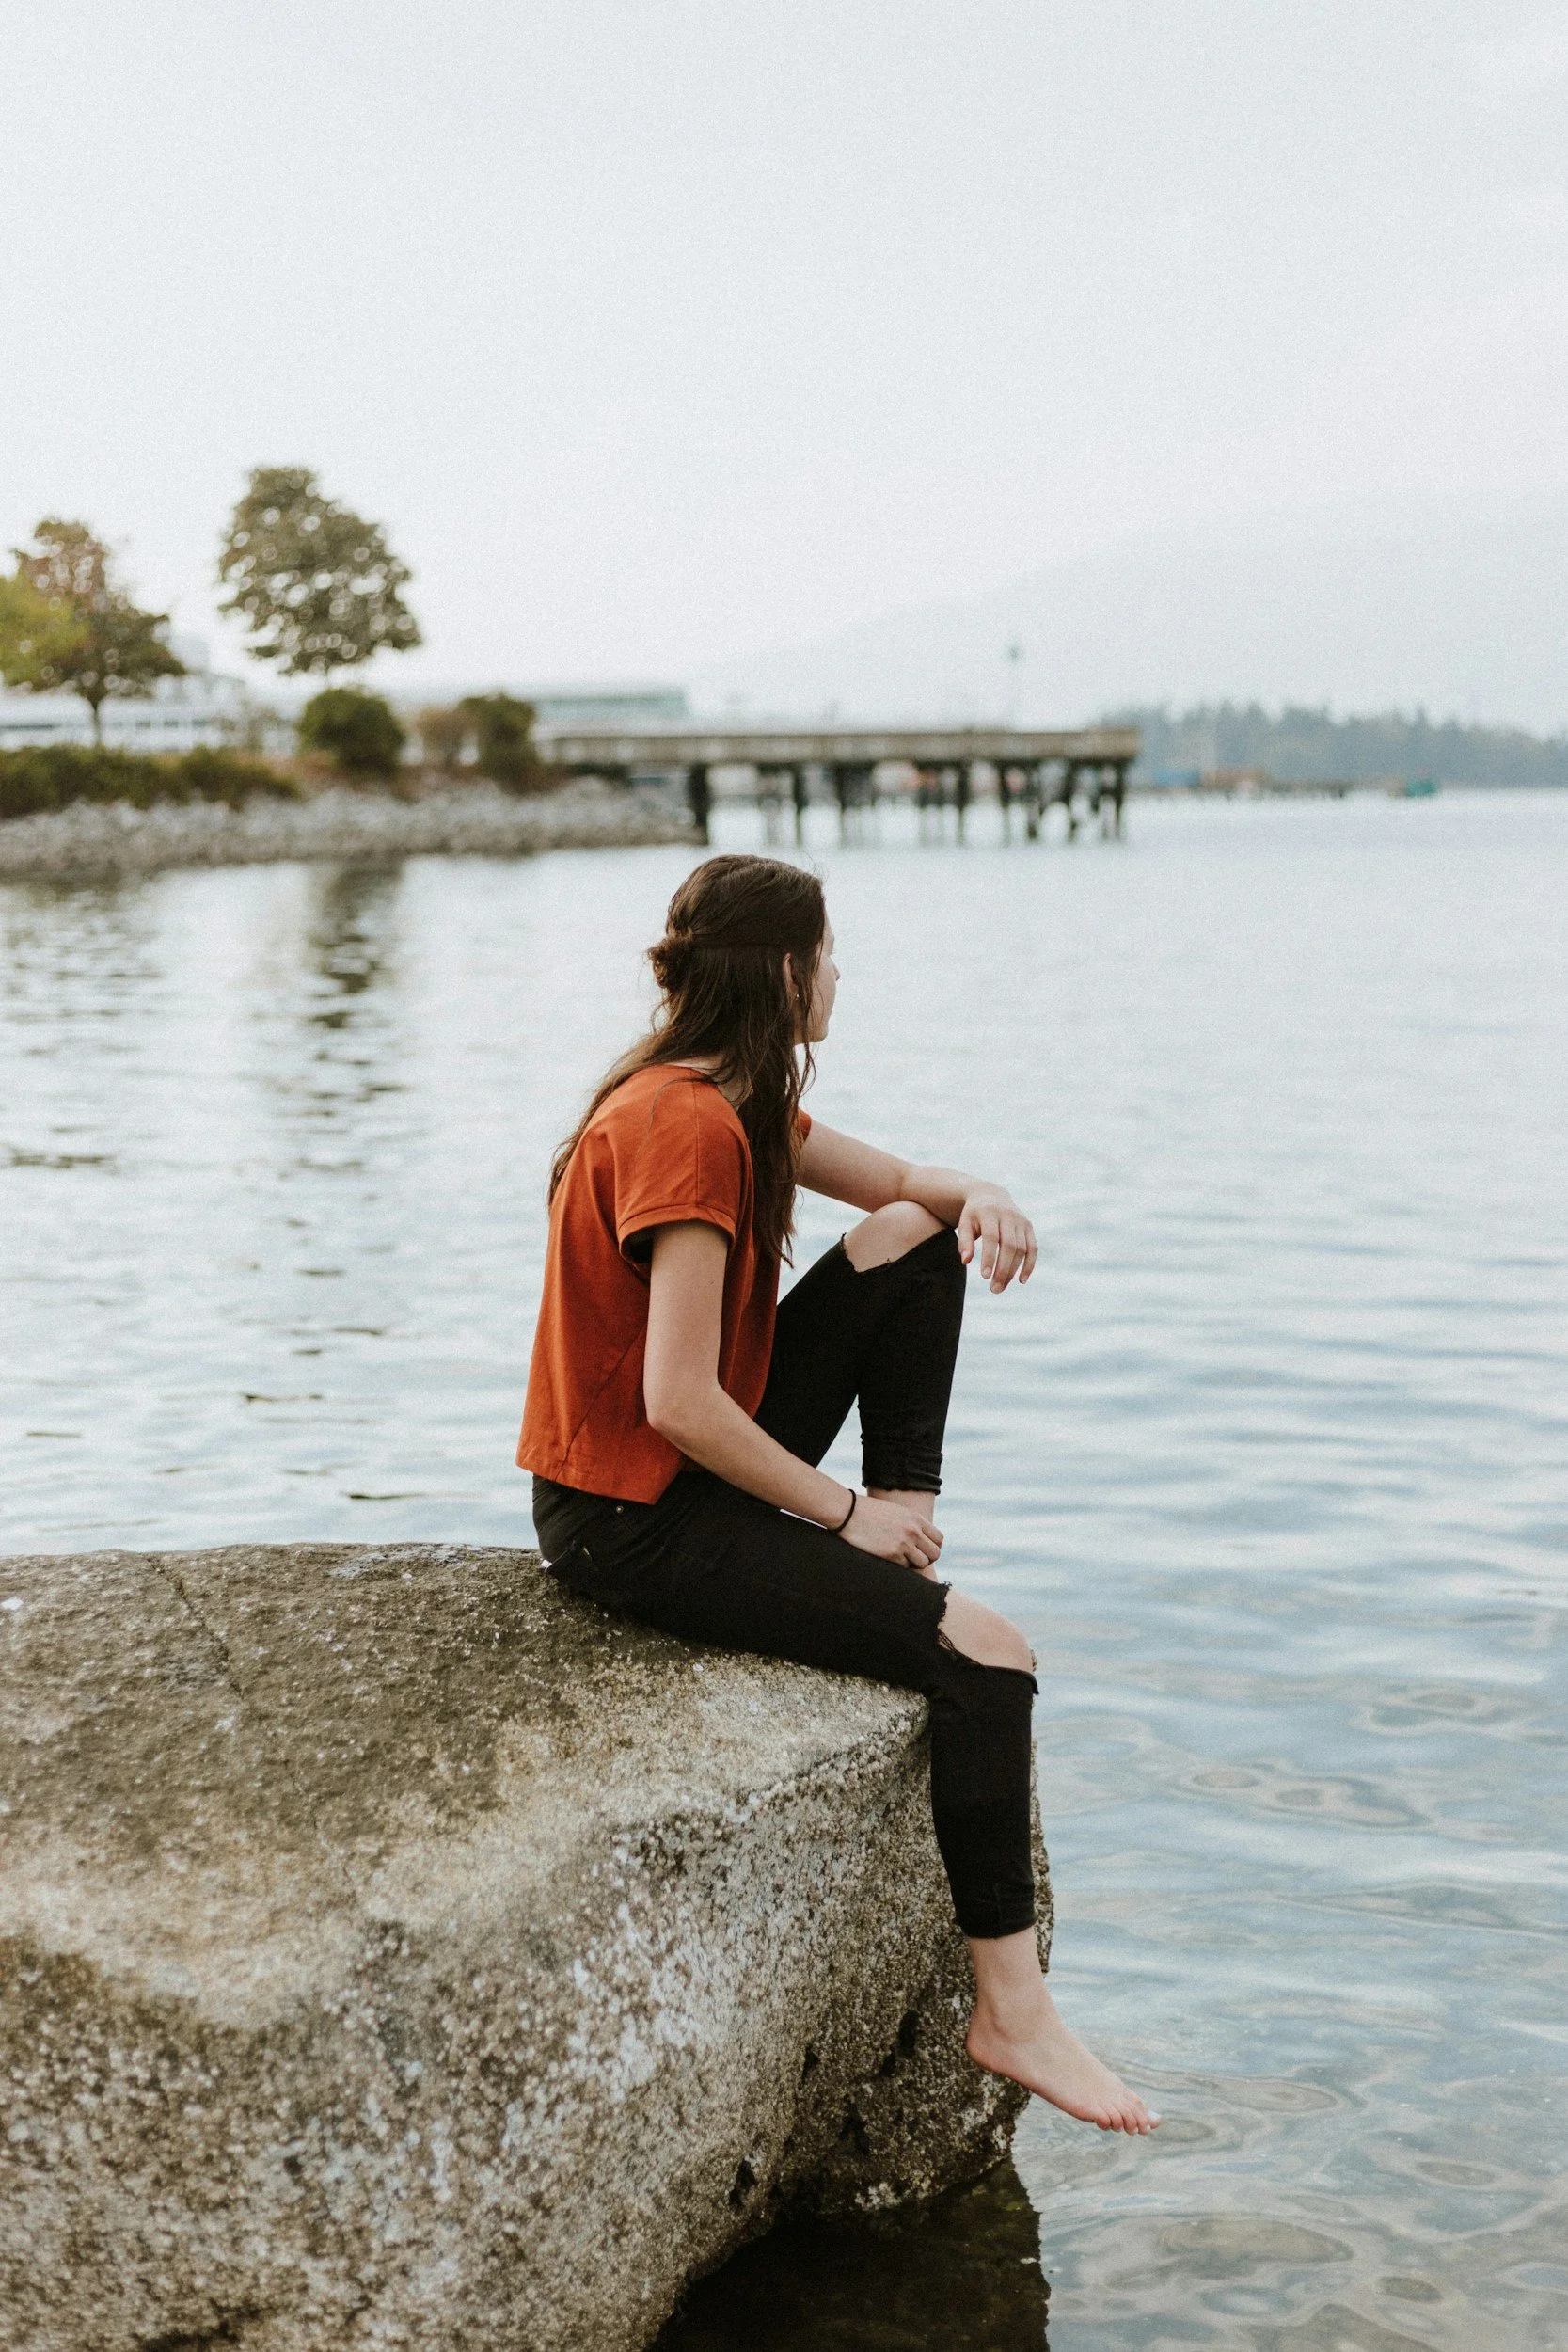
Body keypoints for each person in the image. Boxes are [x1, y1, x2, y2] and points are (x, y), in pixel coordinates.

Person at [518, 852, 1157, 2135]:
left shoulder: (734, 1104)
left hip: (697, 1463)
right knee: (989, 1657)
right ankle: (1010, 2014)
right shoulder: (683, 1128)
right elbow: (678, 1404)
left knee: (920, 1238)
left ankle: (901, 1529)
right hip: (634, 1515)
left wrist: (984, 1193)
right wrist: (843, 1517)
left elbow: (910, 1193)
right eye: (829, 954)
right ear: (784, 971)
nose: (840, 976)